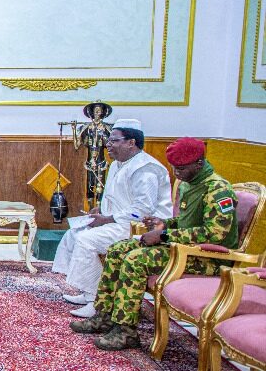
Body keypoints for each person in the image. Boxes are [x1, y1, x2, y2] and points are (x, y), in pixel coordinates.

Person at [71, 138, 239, 350]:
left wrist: (164, 235)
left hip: (207, 258)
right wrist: (163, 223)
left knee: (135, 260)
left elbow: (215, 234)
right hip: (181, 249)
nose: (177, 173)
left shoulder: (217, 190)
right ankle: (105, 315)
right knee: (117, 250)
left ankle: (126, 331)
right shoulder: (190, 183)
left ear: (199, 163)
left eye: (182, 168)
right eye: (174, 168)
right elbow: (186, 221)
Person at [53, 119, 173, 318]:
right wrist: (100, 208)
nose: (107, 145)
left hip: (141, 228)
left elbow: (143, 210)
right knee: (73, 234)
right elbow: (118, 197)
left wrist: (108, 218)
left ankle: (96, 303)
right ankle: (89, 290)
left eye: (113, 141)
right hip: (118, 221)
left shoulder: (146, 169)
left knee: (86, 241)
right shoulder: (118, 164)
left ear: (131, 142)